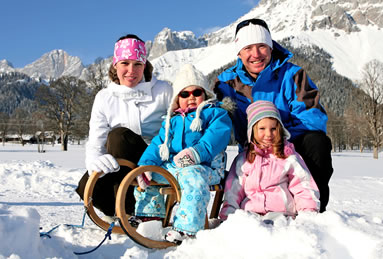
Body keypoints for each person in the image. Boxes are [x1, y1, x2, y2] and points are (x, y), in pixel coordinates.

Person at [214, 18, 333, 212]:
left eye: (262, 46)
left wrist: (279, 143)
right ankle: (242, 212)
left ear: (270, 47)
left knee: (317, 142)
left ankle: (313, 213)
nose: (256, 54)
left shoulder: (293, 75)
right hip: (252, 152)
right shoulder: (227, 84)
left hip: (292, 145)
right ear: (239, 52)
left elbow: (313, 117)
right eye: (248, 48)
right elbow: (216, 120)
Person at [132, 64, 232, 244]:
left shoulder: (215, 114)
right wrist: (145, 165)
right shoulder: (172, 121)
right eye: (185, 94)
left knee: (193, 176)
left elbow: (216, 137)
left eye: (196, 92)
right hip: (176, 167)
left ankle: (188, 227)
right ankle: (150, 217)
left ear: (205, 94)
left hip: (206, 168)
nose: (191, 97)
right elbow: (157, 144)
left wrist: (196, 153)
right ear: (177, 99)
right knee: (149, 174)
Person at [75, 34, 173, 218]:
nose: (131, 70)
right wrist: (95, 161)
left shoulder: (163, 91)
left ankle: (138, 205)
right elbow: (96, 140)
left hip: (155, 158)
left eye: (137, 64)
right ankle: (124, 209)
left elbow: (176, 126)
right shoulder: (105, 97)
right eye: (125, 63)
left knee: (119, 136)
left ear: (145, 65)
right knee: (86, 187)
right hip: (121, 162)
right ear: (115, 65)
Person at [219, 100, 320, 222]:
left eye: (273, 128)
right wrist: (229, 214)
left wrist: (308, 212)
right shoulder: (244, 159)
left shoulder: (287, 156)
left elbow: (302, 184)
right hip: (250, 213)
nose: (268, 134)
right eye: (262, 128)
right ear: (252, 131)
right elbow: (234, 189)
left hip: (281, 213)